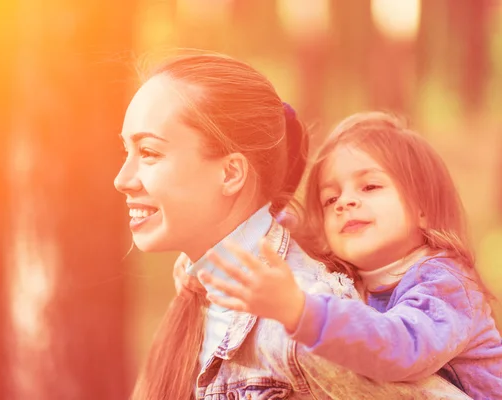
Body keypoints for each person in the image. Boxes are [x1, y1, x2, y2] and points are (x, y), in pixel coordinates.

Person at [115, 53, 471, 399]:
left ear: (231, 173)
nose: (121, 179)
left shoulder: (302, 321)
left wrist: (298, 312)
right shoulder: (204, 288)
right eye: (125, 152)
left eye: (149, 152)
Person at [195, 112, 502, 399]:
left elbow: (401, 347)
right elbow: (287, 233)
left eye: (369, 186)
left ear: (422, 208)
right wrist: (217, 248)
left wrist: (302, 312)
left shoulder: (445, 282)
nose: (345, 203)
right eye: (331, 199)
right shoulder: (346, 276)